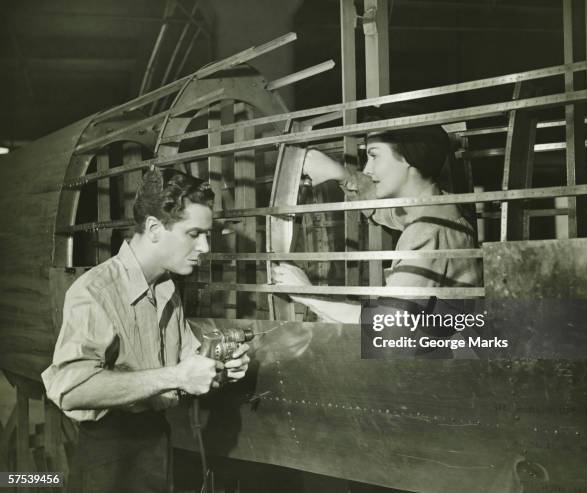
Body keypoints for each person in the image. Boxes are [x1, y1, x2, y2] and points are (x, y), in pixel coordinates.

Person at [42, 169, 250, 493]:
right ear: (154, 228)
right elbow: (70, 390)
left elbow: (186, 363)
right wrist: (176, 377)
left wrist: (221, 367)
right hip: (109, 458)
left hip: (156, 442)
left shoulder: (167, 288)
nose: (205, 246)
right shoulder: (95, 291)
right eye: (194, 233)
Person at [272, 109, 482, 340]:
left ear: (407, 158)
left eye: (374, 156)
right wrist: (342, 176)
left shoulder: (426, 232)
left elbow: (388, 324)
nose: (367, 170)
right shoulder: (442, 206)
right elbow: (387, 212)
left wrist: (307, 295)